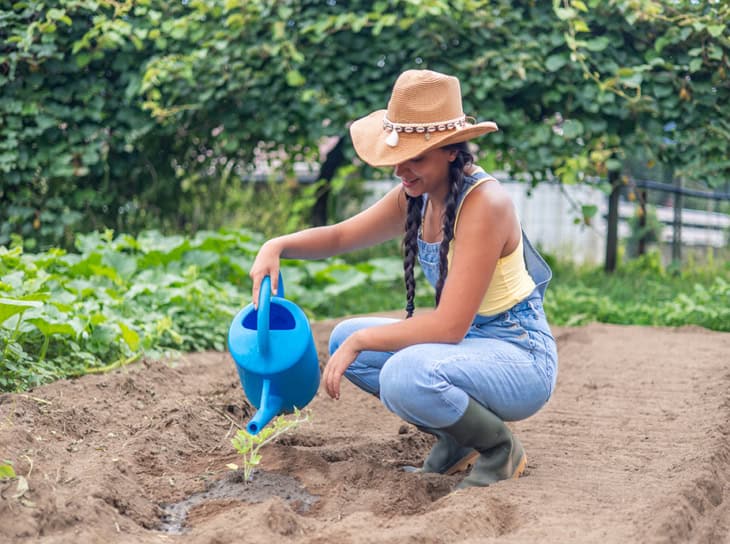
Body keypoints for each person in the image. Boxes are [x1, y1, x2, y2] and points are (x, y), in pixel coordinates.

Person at [249, 69, 558, 489]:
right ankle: (457, 439)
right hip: (473, 346)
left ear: (451, 151)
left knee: (402, 374)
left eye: (416, 157)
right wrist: (277, 245)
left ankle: (500, 449)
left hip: (519, 354)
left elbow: (450, 326)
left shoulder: (484, 203)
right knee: (344, 337)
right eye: (399, 157)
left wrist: (365, 342)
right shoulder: (417, 196)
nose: (401, 170)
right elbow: (341, 235)